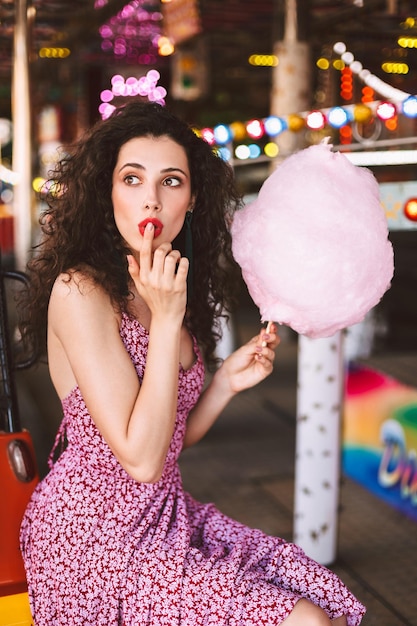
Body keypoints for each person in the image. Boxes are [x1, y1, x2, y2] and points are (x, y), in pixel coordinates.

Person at [18, 100, 366, 626]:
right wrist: (164, 319)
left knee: (319, 593)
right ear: (106, 190)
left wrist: (224, 384)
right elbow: (140, 458)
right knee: (305, 622)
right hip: (92, 538)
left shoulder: (173, 285)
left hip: (167, 517)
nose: (150, 199)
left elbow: (171, 435)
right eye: (131, 179)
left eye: (171, 181)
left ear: (194, 196)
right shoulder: (81, 290)